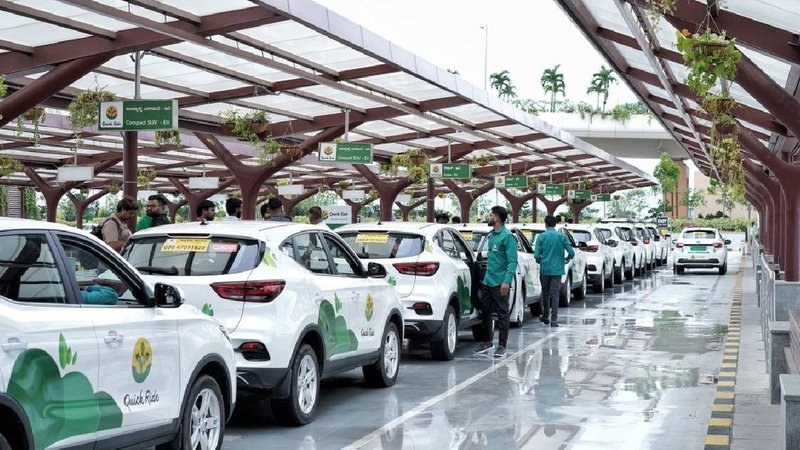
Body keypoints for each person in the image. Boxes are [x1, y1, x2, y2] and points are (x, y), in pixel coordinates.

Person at [474, 206, 517, 358]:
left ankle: (502, 346)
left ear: (497, 218)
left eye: (491, 215)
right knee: (485, 311)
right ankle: (487, 342)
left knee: (502, 314)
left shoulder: (507, 237)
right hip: (488, 280)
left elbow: (512, 262)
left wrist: (507, 281)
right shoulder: (491, 235)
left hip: (500, 282)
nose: (489, 217)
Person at [534, 215, 575, 327]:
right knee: (555, 293)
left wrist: (540, 261)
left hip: (545, 269)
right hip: (557, 270)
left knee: (545, 292)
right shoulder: (561, 237)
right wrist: (567, 259)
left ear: (545, 224)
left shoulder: (541, 237)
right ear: (555, 224)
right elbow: (571, 252)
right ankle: (554, 320)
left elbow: (536, 255)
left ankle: (545, 316)